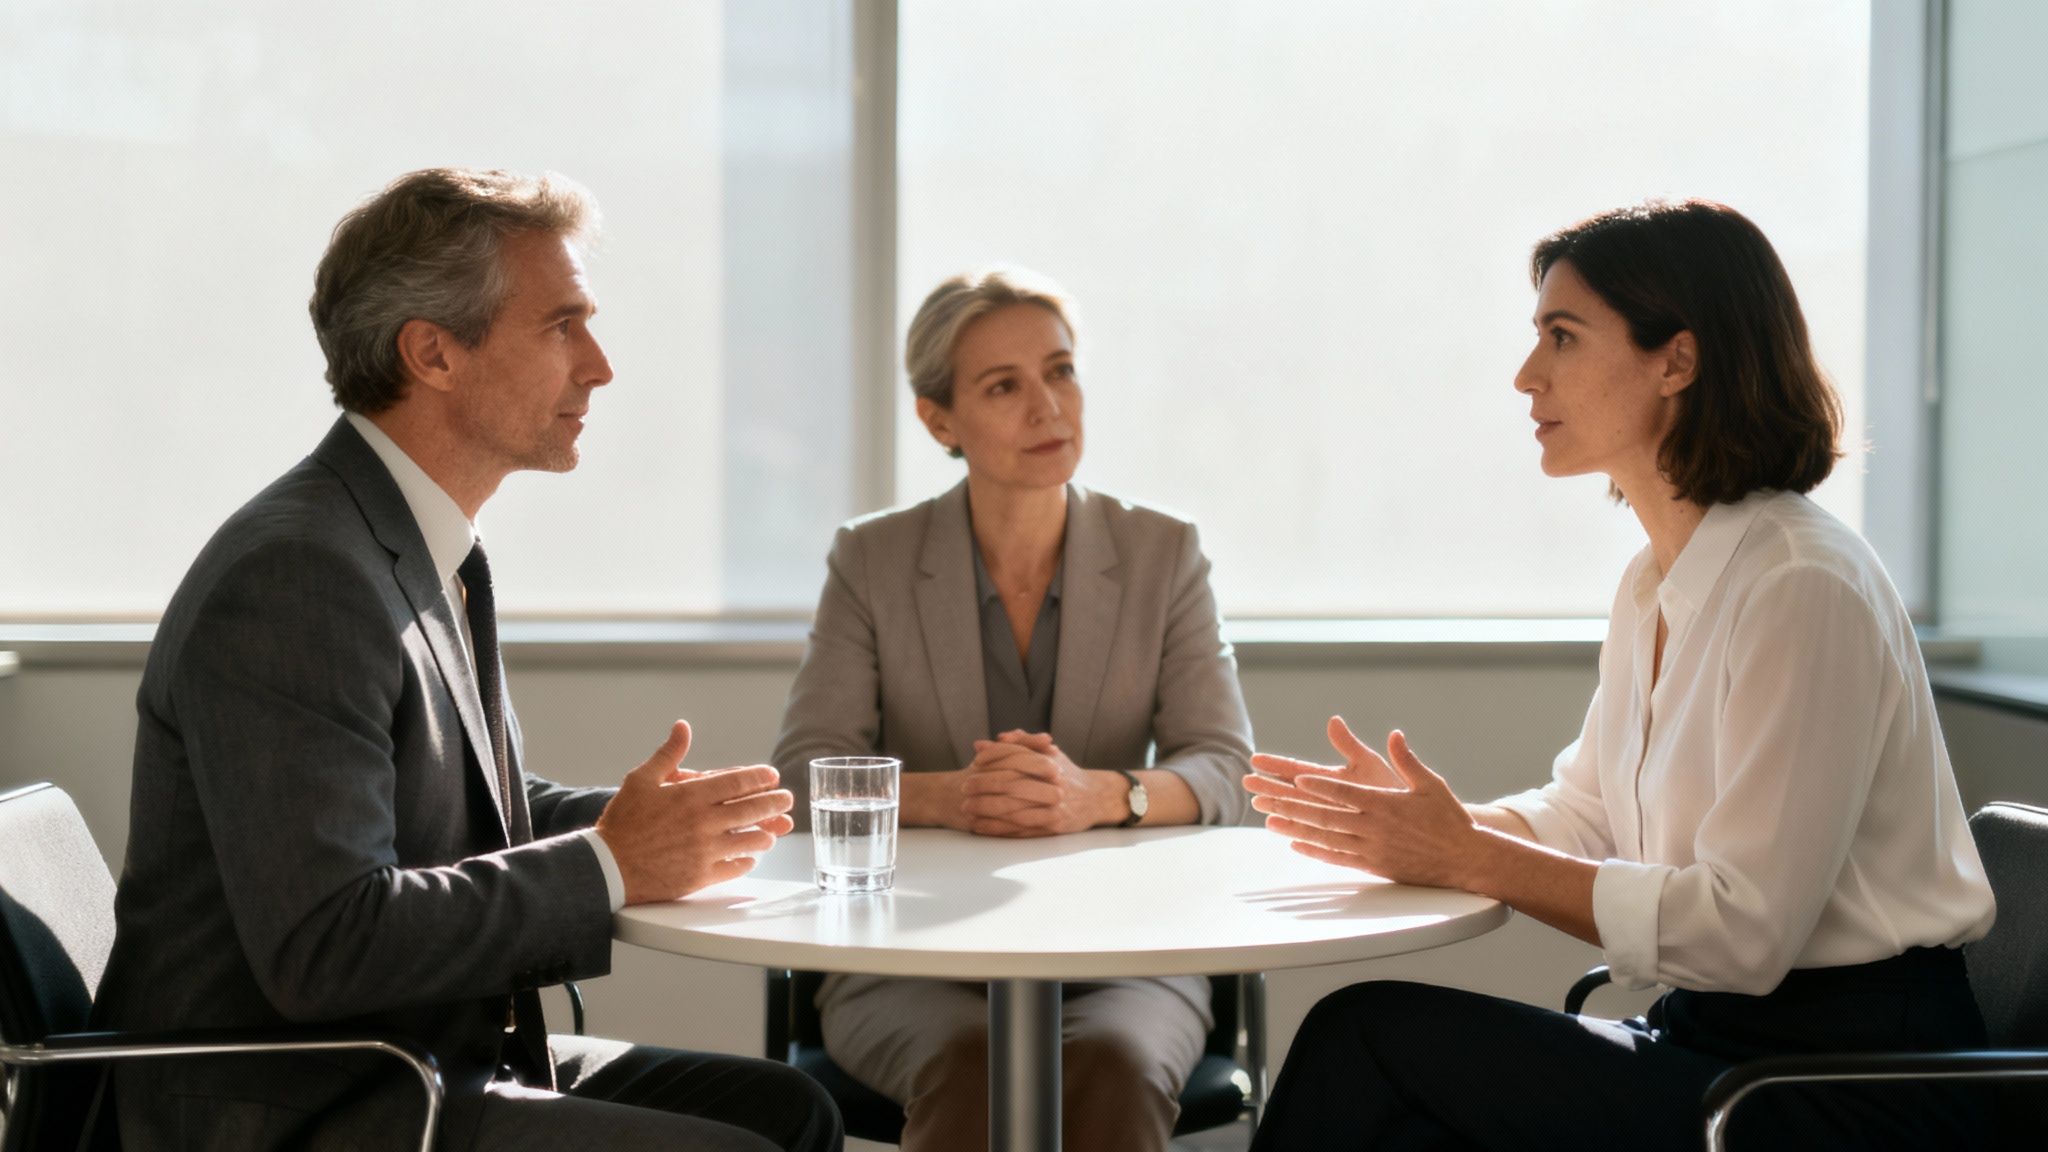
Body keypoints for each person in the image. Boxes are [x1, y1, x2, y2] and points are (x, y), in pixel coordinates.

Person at [92, 168, 842, 1152]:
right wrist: (613, 863)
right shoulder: (296, 576)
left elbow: (442, 805)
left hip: (409, 1059)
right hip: (295, 1102)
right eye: (562, 326)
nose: (601, 366)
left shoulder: (408, 540)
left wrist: (659, 827)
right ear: (433, 353)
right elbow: (326, 944)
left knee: (790, 1110)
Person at [1242, 200, 1997, 1151]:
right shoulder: (1655, 581)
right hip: (1719, 1046)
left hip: (1848, 1088)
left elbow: (1743, 934)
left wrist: (1465, 856)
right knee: (1401, 1103)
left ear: (1676, 362)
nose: (1527, 375)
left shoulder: (1803, 584)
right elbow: (1588, 813)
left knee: (1368, 1041)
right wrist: (1421, 827)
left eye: (1562, 337)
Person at [772, 267, 1255, 1151]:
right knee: (972, 1066)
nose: (1049, 406)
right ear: (939, 421)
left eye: (1060, 371)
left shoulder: (1164, 552)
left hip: (1126, 955)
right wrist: (951, 797)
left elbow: (1225, 767)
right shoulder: (872, 559)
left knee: (1114, 1064)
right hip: (908, 955)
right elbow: (803, 777)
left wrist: (1102, 795)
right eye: (1004, 386)